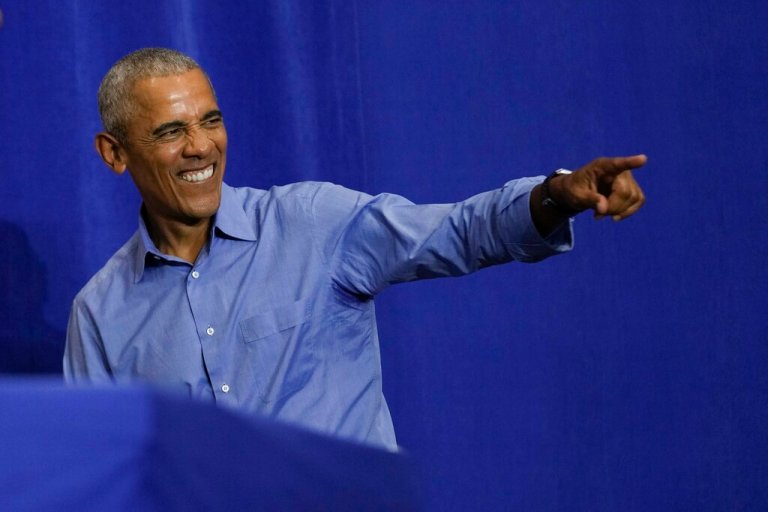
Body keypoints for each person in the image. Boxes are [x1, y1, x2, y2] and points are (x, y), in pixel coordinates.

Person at [64, 48, 646, 451]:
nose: (201, 146)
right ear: (114, 154)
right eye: (170, 132)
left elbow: (459, 232)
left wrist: (555, 196)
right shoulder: (100, 313)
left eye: (210, 121)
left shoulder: (311, 222)